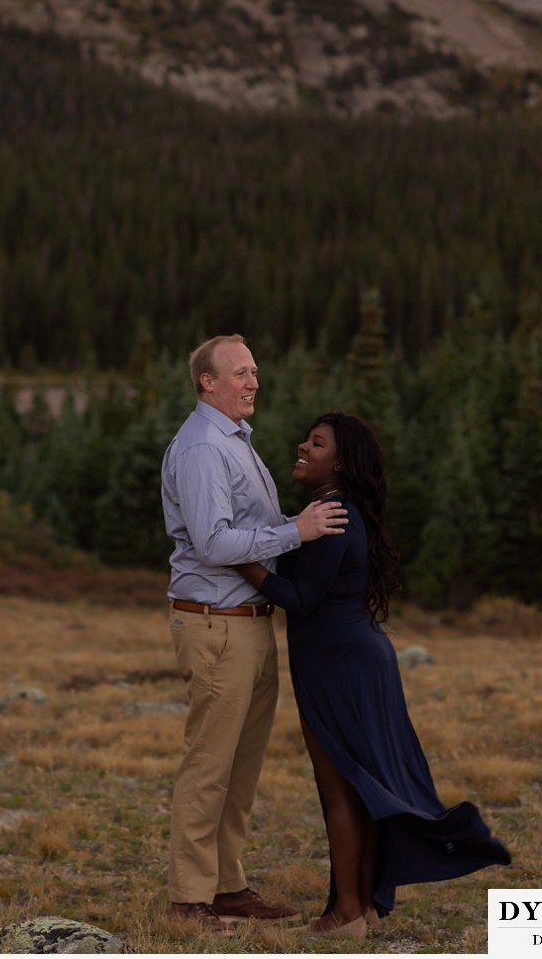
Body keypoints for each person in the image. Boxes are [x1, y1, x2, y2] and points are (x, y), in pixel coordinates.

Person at [235, 412, 512, 938]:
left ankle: (345, 914)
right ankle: (358, 909)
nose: (303, 447)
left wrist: (237, 558)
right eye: (307, 439)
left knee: (339, 789)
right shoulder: (334, 510)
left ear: (338, 462)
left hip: (340, 664)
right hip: (353, 659)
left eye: (316, 444)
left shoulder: (331, 516)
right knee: (359, 789)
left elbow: (300, 599)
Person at [161, 335, 349, 932]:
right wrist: (299, 531)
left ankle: (227, 885)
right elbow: (215, 543)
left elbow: (256, 529)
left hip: (250, 624)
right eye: (239, 373)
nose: (253, 382)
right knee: (209, 763)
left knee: (240, 767)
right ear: (206, 383)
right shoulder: (200, 450)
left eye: (255, 372)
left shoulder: (235, 443)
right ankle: (189, 902)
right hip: (216, 625)